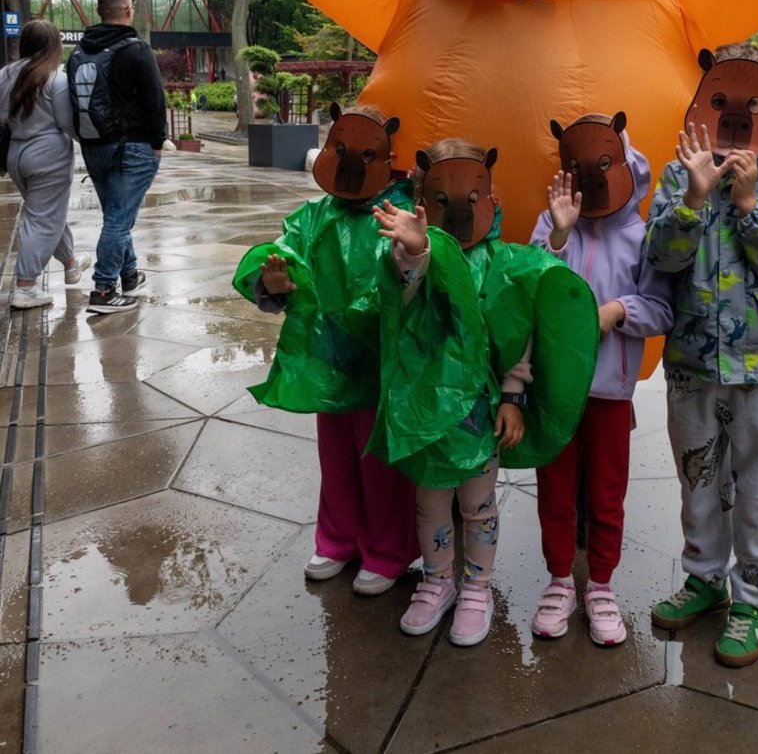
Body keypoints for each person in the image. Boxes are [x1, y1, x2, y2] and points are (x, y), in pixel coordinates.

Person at [373, 139, 598, 647]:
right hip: (426, 411)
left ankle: (477, 587)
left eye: (473, 197)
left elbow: (524, 322)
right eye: (444, 199)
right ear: (422, 205)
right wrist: (416, 247)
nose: (460, 211)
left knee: (478, 504)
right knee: (430, 503)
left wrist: (513, 396)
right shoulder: (410, 251)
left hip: (479, 412)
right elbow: (402, 292)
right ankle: (436, 582)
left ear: (492, 203)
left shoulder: (503, 263)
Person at [645, 43, 758, 668]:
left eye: (755, 103)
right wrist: (694, 201)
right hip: (693, 364)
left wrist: (751, 207)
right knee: (698, 479)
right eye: (723, 101)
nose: (739, 117)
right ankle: (704, 579)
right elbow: (659, 261)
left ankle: (753, 600)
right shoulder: (678, 174)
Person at [233, 104, 419, 596]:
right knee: (336, 453)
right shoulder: (314, 217)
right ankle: (338, 538)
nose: (352, 163)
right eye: (343, 149)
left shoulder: (399, 214)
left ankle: (387, 547)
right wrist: (276, 279)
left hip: (383, 363)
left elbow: (421, 275)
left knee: (380, 458)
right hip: (329, 359)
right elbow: (282, 258)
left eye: (365, 152)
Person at [528, 113, 673, 646]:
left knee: (606, 494)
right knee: (556, 490)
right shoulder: (550, 224)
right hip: (556, 393)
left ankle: (602, 586)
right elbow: (529, 288)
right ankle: (560, 580)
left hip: (611, 393)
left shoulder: (640, 234)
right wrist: (559, 237)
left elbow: (662, 308)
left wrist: (618, 310)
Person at [66, 0, 166, 314]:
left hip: (93, 147)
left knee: (115, 216)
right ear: (127, 11)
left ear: (99, 13)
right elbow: (154, 99)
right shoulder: (136, 50)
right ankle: (104, 289)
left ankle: (130, 273)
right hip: (132, 148)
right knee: (119, 221)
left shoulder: (79, 53)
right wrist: (157, 142)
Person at [0, 20, 89, 309]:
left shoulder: (5, 74)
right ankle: (26, 287)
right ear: (53, 45)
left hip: (16, 155)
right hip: (49, 156)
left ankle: (71, 263)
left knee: (45, 214)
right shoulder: (55, 79)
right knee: (42, 219)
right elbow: (66, 123)